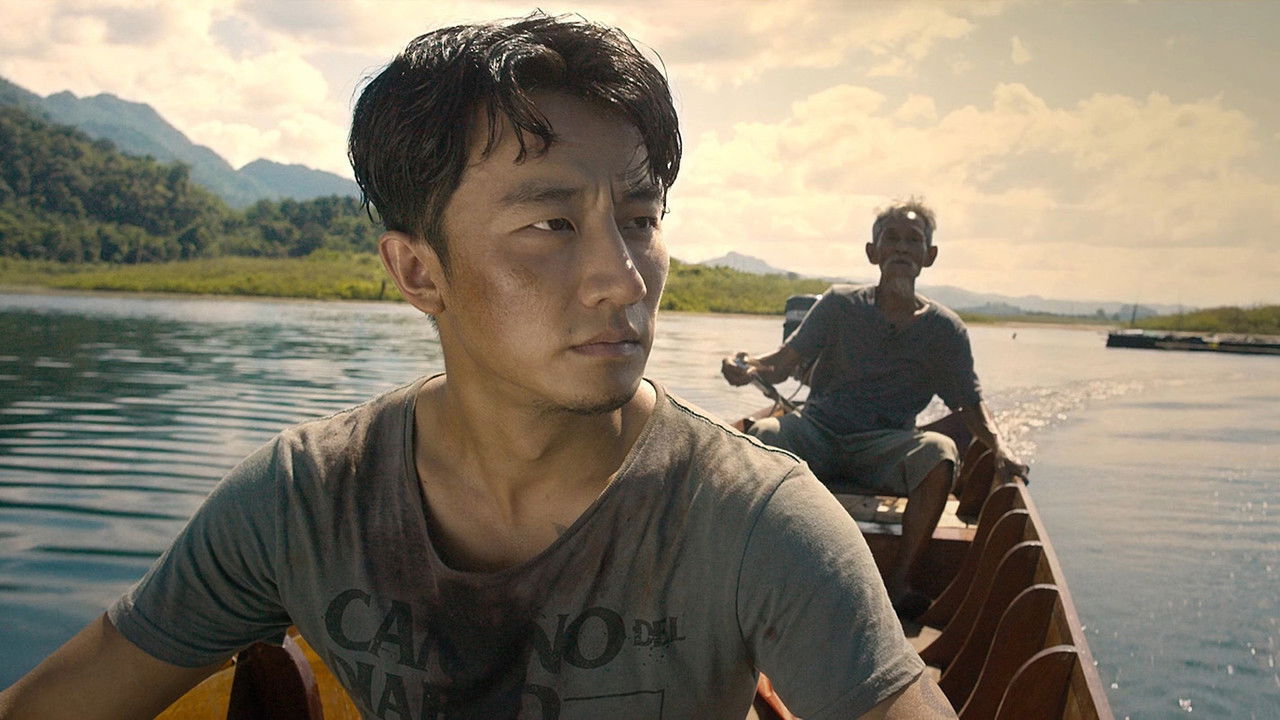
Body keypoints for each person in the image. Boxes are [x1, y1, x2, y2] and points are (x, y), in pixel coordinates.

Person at [0, 15, 955, 720]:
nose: (623, 280)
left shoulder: (757, 526)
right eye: (551, 224)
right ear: (419, 272)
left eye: (639, 219)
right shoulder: (303, 504)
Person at [722, 199, 1028, 619]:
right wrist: (745, 366)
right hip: (818, 432)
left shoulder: (945, 330)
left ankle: (898, 584)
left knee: (940, 453)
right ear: (873, 252)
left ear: (929, 255)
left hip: (885, 446)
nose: (901, 248)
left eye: (913, 240)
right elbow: (781, 364)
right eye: (891, 239)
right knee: (764, 436)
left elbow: (970, 404)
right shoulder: (839, 304)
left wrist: (1001, 448)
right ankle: (756, 571)